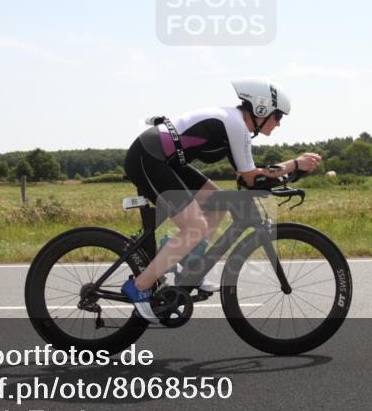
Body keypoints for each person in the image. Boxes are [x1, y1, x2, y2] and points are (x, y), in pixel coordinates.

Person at [121, 78, 321, 323]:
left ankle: (191, 268)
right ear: (261, 109)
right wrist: (295, 164)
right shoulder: (235, 124)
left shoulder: (236, 125)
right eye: (278, 116)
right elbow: (251, 177)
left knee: (218, 204)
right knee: (195, 227)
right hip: (149, 157)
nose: (279, 123)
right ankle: (139, 287)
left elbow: (247, 178)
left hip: (167, 160)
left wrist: (292, 170)